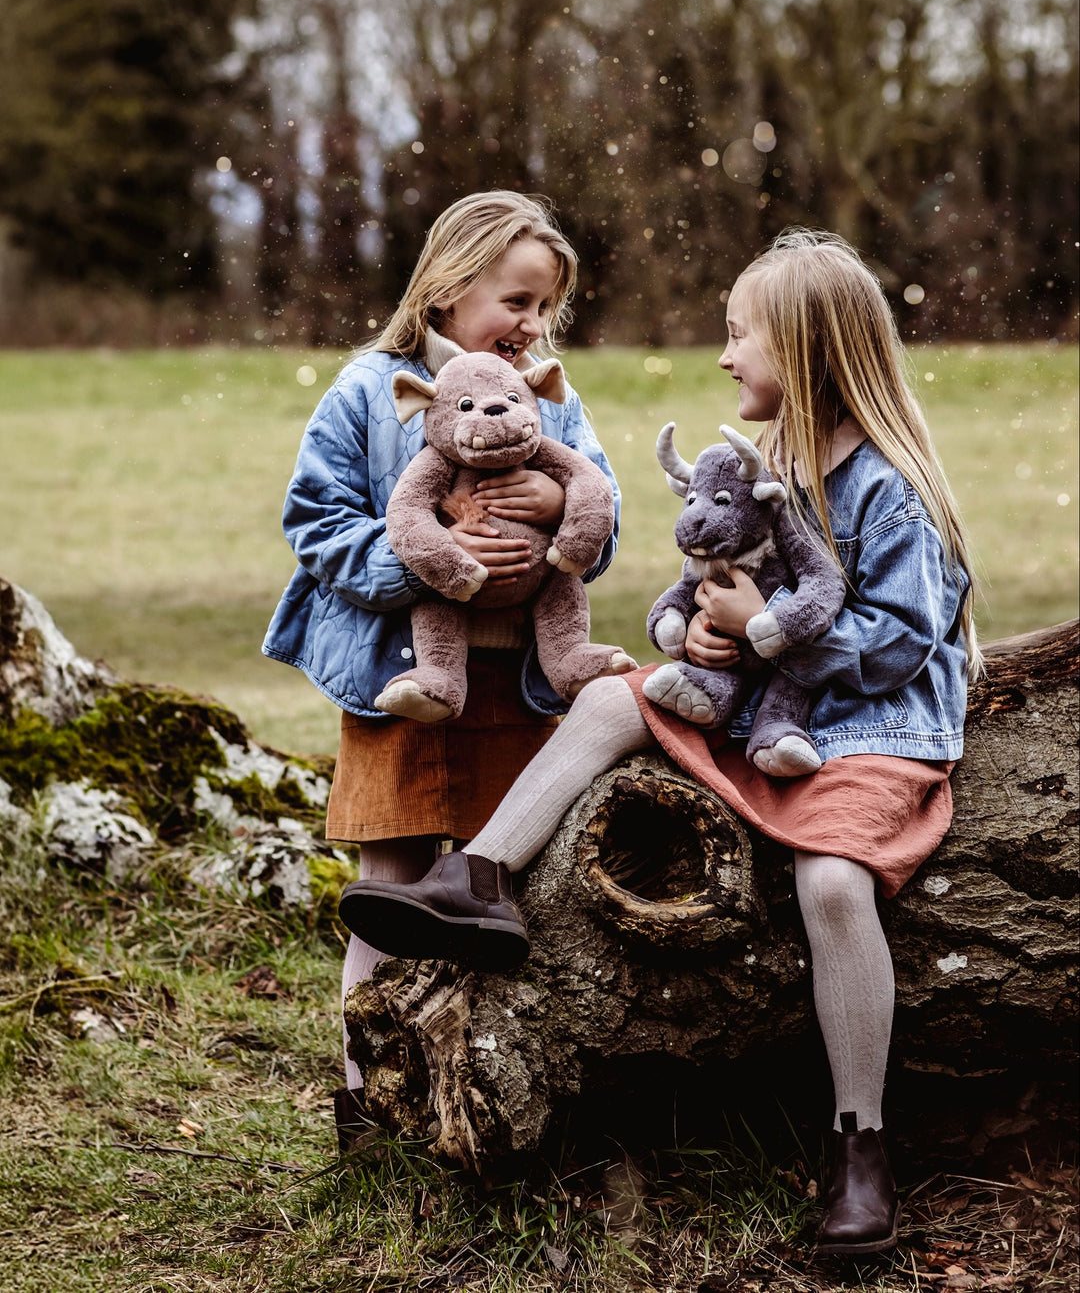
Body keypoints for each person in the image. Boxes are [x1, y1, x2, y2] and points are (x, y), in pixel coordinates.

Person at [340, 228, 978, 1259]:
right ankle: (479, 879)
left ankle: (859, 1144)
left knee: (830, 884)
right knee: (609, 699)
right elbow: (701, 582)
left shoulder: (886, 485)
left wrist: (764, 632)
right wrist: (694, 631)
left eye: (741, 336)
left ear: (806, 350)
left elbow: (902, 640)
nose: (724, 357)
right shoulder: (761, 465)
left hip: (870, 728)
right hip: (763, 709)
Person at [262, 191, 631, 1142]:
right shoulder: (367, 390)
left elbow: (604, 512)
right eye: (517, 301)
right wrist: (429, 555)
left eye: (546, 307)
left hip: (518, 687)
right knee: (387, 889)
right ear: (447, 286)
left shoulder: (548, 395)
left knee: (501, 892)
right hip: (401, 687)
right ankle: (365, 1101)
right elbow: (315, 522)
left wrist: (556, 508)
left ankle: (492, 1099)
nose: (533, 324)